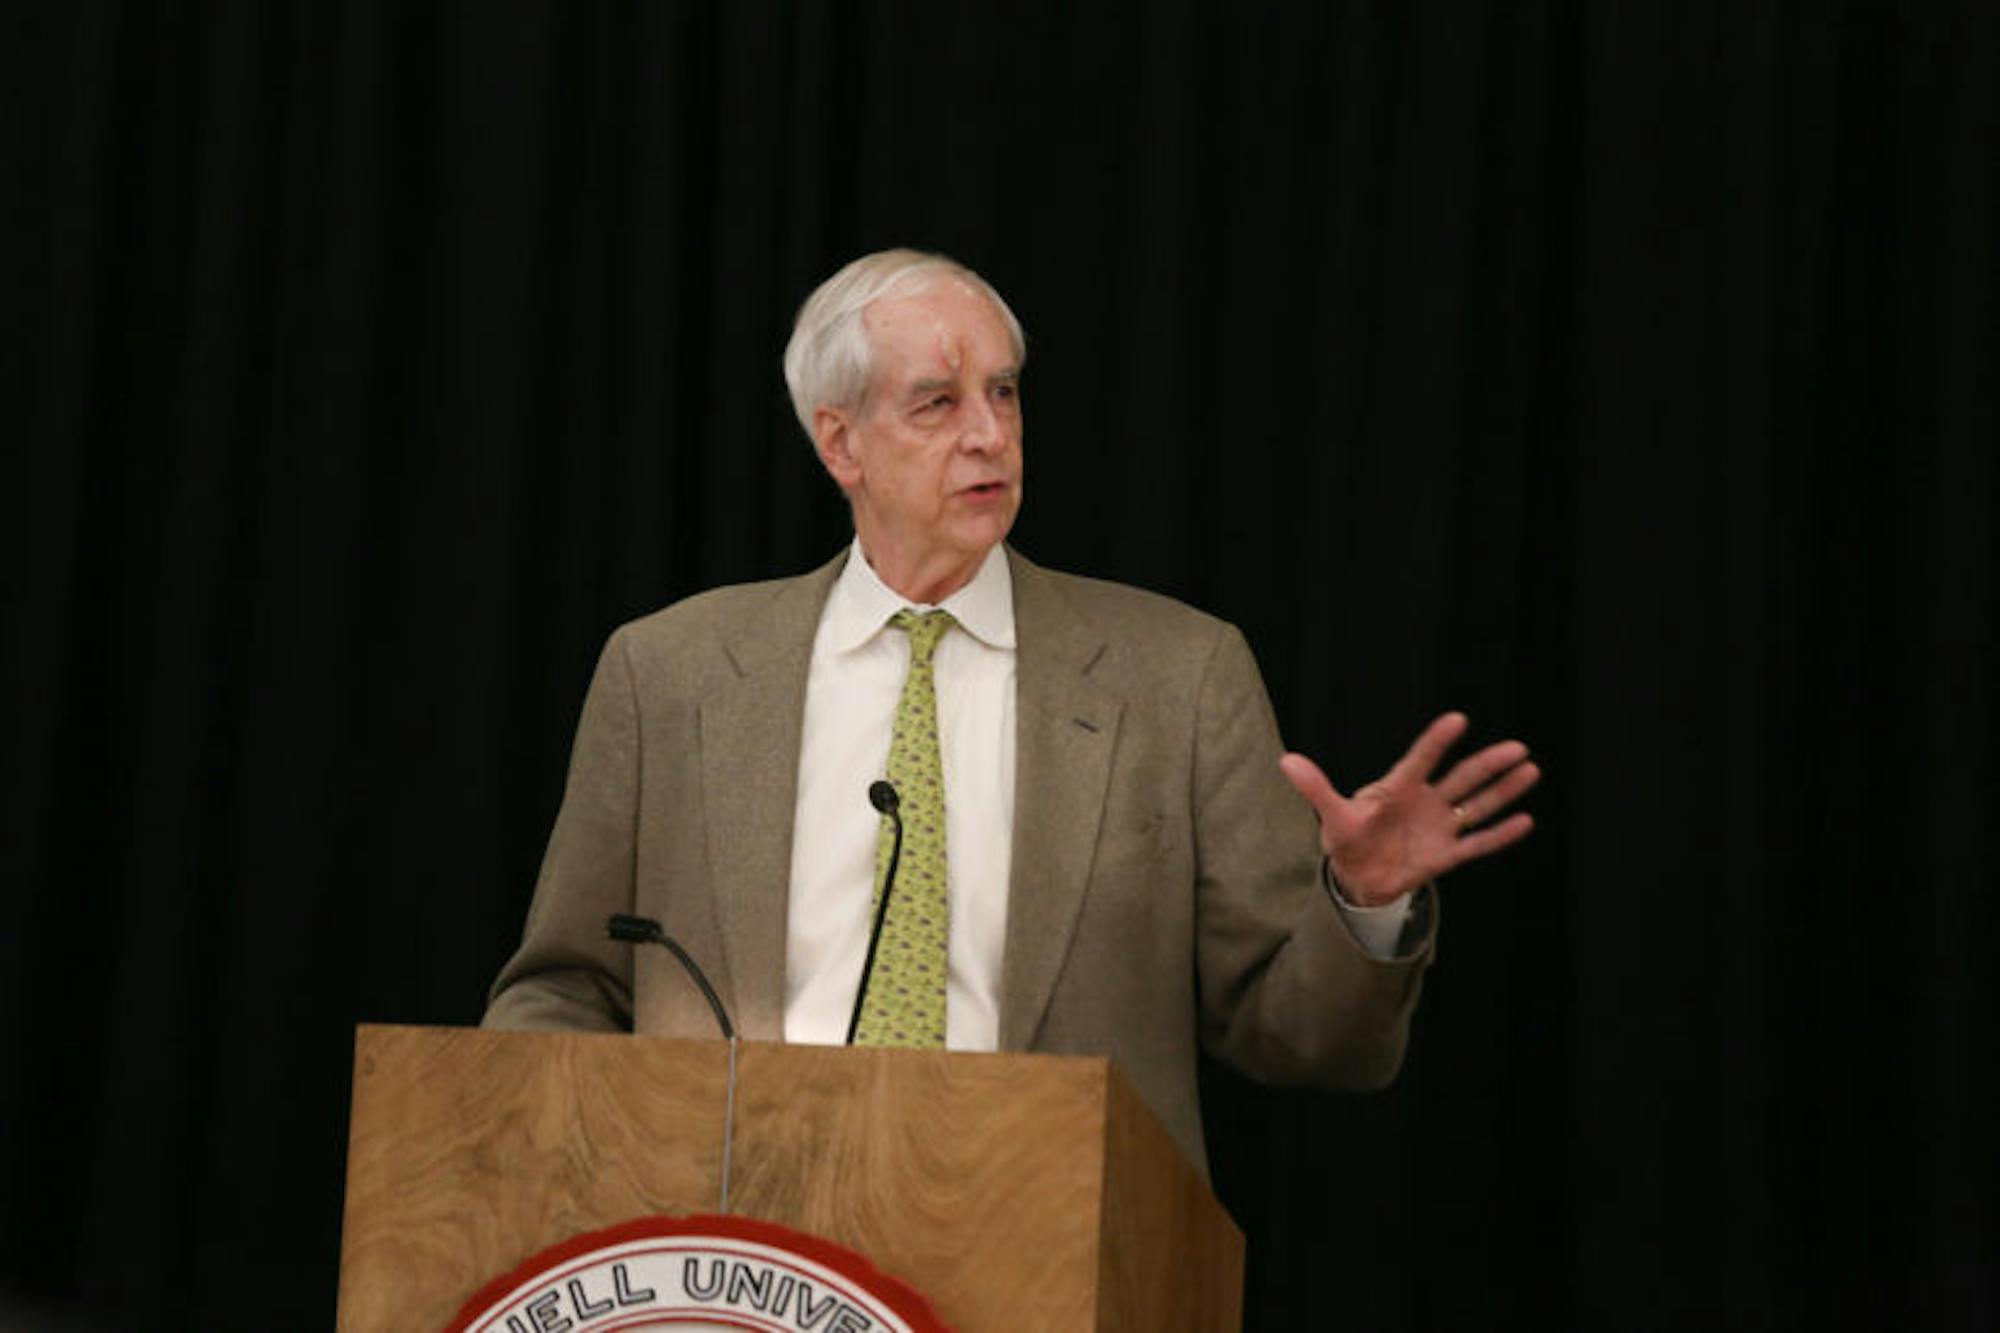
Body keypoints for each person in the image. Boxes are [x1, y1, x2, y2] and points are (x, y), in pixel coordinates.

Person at [483, 249, 1539, 1174]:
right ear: (839, 443)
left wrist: (1355, 902)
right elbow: (562, 991)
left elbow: (1303, 1036)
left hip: (1045, 1241)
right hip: (737, 1239)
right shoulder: (670, 671)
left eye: (1004, 391)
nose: (988, 433)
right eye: (937, 403)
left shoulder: (1176, 674)